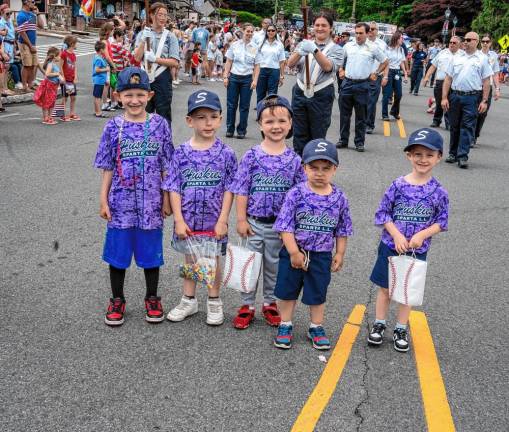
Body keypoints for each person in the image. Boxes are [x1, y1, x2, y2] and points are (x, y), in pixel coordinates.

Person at [94, 67, 174, 326]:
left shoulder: (160, 125)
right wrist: (103, 199)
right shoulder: (112, 127)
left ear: (150, 95)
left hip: (151, 203)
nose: (135, 100)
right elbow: (107, 166)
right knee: (118, 254)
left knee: (151, 254)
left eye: (140, 94)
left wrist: (166, 198)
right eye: (128, 94)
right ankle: (117, 299)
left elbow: (166, 166)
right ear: (118, 96)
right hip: (121, 203)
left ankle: (152, 297)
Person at [367, 128, 449, 352]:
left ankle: (401, 327)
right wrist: (396, 234)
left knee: (406, 291)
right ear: (409, 156)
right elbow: (382, 214)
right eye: (418, 154)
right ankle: (379, 323)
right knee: (385, 288)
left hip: (416, 251)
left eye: (429, 155)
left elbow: (442, 221)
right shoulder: (398, 185)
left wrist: (422, 235)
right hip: (390, 246)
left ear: (439, 157)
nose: (423, 160)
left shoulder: (439, 191)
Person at [230, 95, 306, 330]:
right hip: (254, 223)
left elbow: (299, 197)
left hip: (280, 228)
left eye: (282, 121)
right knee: (250, 264)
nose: (276, 126)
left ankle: (270, 303)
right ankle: (247, 304)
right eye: (270, 121)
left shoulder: (294, 160)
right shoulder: (252, 155)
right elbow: (241, 189)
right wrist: (241, 219)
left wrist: (295, 227)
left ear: (291, 123)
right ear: (260, 125)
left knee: (274, 266)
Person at [163, 90, 237, 326]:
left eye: (213, 116)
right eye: (201, 117)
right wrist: (179, 220)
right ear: (189, 121)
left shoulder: (226, 153)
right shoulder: (181, 153)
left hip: (214, 220)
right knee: (191, 259)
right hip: (188, 220)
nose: (208, 122)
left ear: (220, 118)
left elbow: (229, 188)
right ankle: (189, 299)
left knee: (213, 259)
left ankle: (214, 301)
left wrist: (223, 219)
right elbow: (174, 187)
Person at [272, 139, 352, 350]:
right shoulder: (296, 194)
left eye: (326, 168)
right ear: (304, 167)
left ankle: (316, 326)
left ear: (335, 169)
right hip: (294, 252)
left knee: (318, 293)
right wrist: (293, 252)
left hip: (321, 254)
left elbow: (342, 229)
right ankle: (285, 323)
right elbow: (285, 226)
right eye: (313, 167)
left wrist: (340, 253)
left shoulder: (339, 197)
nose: (319, 173)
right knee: (287, 291)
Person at [287, 12, 343, 155]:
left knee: (317, 136)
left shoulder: (337, 49)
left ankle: (313, 170)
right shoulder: (305, 44)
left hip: (321, 94)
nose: (320, 28)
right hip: (300, 92)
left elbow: (328, 67)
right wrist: (300, 50)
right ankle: (299, 169)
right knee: (299, 134)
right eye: (317, 25)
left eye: (324, 25)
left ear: (331, 28)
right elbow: (290, 64)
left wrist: (314, 50)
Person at [441, 32, 493, 169]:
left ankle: (462, 155)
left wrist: (484, 101)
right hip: (455, 96)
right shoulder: (456, 58)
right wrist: (444, 97)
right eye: (465, 39)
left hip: (472, 97)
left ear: (476, 41)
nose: (466, 42)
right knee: (454, 126)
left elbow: (486, 81)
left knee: (467, 127)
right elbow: (448, 78)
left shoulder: (482, 59)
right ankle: (453, 153)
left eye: (469, 40)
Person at [338, 22, 388, 152]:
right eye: (356, 33)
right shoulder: (348, 46)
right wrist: (341, 69)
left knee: (361, 116)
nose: (358, 36)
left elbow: (385, 61)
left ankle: (359, 142)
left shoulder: (373, 47)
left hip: (363, 84)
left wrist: (376, 73)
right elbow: (339, 59)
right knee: (344, 115)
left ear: (367, 33)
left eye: (361, 33)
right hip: (347, 83)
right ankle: (343, 140)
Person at [134, 2, 180, 125]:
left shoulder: (170, 37)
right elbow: (137, 58)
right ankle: (144, 142)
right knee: (143, 113)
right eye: (160, 14)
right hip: (144, 77)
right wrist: (143, 40)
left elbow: (175, 62)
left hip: (162, 78)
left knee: (163, 114)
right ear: (151, 15)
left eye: (165, 15)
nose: (163, 18)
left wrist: (155, 59)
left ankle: (164, 143)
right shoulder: (142, 34)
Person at [223, 22, 258, 139]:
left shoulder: (254, 47)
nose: (250, 33)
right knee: (231, 105)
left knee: (244, 106)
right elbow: (228, 61)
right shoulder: (235, 45)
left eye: (251, 31)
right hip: (233, 77)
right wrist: (225, 76)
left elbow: (257, 65)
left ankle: (242, 130)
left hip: (247, 79)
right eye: (248, 31)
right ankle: (230, 129)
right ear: (242, 31)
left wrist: (255, 80)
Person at [424, 36, 463, 129]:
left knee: (451, 103)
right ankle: (436, 120)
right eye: (450, 42)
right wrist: (426, 77)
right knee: (439, 102)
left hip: (454, 83)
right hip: (440, 81)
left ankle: (448, 123)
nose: (452, 44)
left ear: (460, 44)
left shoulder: (463, 55)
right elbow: (433, 66)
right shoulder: (442, 53)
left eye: (454, 43)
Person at [473, 34, 501, 147]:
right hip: (475, 87)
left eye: (487, 41)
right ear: (480, 43)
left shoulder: (493, 56)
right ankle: (469, 136)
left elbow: (495, 73)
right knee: (472, 113)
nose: (485, 43)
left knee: (482, 114)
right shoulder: (476, 54)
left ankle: (475, 135)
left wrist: (497, 89)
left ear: (490, 43)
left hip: (487, 88)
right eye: (483, 41)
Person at [253, 23, 286, 104]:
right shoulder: (261, 43)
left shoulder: (279, 45)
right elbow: (254, 57)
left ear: (276, 32)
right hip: (262, 70)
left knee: (272, 95)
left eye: (272, 30)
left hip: (274, 71)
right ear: (266, 32)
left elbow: (282, 61)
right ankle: (260, 115)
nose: (270, 32)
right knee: (260, 94)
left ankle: (270, 115)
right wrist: (253, 72)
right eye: (268, 30)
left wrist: (282, 76)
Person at [366, 22, 388, 134]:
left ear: (377, 31)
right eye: (369, 29)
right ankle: (362, 122)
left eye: (373, 29)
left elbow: (386, 61)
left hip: (375, 76)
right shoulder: (362, 42)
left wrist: (385, 76)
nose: (370, 31)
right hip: (363, 77)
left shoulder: (382, 44)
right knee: (362, 102)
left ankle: (369, 125)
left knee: (372, 101)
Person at [33, 47, 64, 125]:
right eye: (59, 56)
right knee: (47, 101)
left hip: (54, 86)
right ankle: (45, 118)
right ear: (54, 57)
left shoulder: (53, 64)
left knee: (52, 101)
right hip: (49, 85)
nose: (60, 57)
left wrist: (60, 79)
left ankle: (49, 117)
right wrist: (57, 74)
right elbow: (47, 74)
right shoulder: (50, 64)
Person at [381, 31, 407, 121]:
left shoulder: (401, 49)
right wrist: (385, 75)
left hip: (397, 72)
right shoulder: (387, 49)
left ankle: (394, 111)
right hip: (389, 71)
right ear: (396, 39)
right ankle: (384, 114)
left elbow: (402, 62)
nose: (402, 40)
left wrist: (405, 73)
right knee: (387, 94)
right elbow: (384, 63)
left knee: (399, 94)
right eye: (401, 38)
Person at [16, 0, 38, 92]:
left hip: (33, 43)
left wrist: (38, 13)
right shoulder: (21, 15)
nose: (34, 3)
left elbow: (40, 25)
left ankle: (31, 83)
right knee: (26, 65)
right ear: (26, 2)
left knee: (33, 64)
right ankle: (25, 85)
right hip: (25, 44)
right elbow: (22, 32)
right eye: (32, 1)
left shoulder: (32, 14)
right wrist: (30, 45)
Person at [60, 35, 80, 122]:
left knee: (73, 97)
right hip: (65, 79)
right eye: (76, 43)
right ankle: (61, 114)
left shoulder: (73, 55)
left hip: (71, 79)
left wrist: (75, 76)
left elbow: (75, 66)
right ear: (72, 44)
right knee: (65, 97)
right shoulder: (64, 54)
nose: (77, 45)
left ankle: (72, 113)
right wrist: (62, 76)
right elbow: (60, 66)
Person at [0, 5, 16, 94]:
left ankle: (5, 87)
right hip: (5, 44)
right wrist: (3, 52)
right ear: (2, 13)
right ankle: (3, 89)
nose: (10, 15)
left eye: (11, 13)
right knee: (5, 67)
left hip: (11, 45)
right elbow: (1, 38)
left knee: (8, 67)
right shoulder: (1, 23)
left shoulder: (9, 21)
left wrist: (14, 47)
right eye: (7, 13)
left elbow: (13, 35)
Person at [92, 41, 110, 118]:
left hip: (100, 80)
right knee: (98, 97)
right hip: (99, 80)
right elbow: (97, 70)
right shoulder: (99, 59)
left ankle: (97, 111)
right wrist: (106, 69)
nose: (105, 50)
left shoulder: (98, 57)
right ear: (101, 50)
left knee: (97, 96)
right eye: (104, 49)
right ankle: (98, 112)